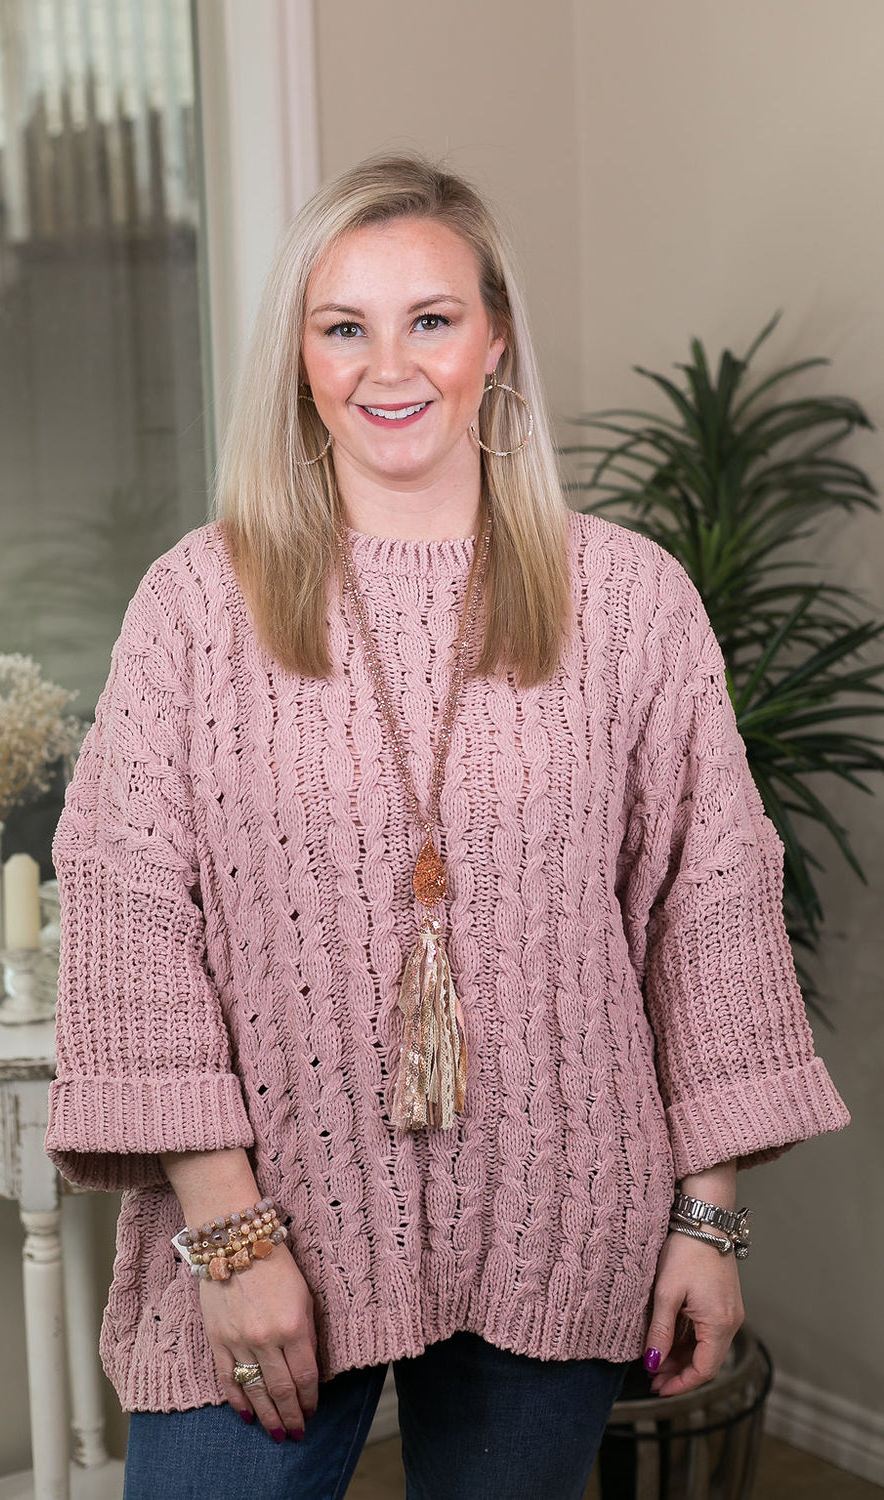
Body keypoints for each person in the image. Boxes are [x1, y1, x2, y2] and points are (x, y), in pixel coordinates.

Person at [45, 154, 851, 1500]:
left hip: (559, 1215)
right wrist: (228, 1236)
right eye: (342, 327)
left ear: (496, 340)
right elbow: (130, 911)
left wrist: (709, 1217)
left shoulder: (631, 601)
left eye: (430, 318)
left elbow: (705, 904)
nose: (389, 366)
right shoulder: (198, 603)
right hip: (265, 1233)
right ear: (300, 359)